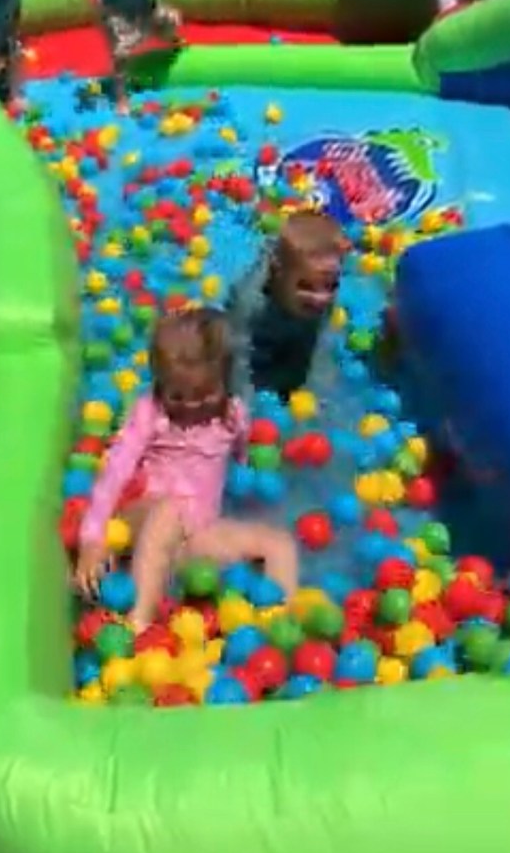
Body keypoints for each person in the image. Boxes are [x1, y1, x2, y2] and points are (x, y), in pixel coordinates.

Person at [75, 308, 298, 630]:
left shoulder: (233, 415)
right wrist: (93, 539)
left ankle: (279, 626)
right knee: (168, 513)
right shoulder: (151, 412)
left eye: (205, 394)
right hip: (143, 518)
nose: (191, 405)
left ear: (226, 381)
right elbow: (115, 472)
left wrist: (245, 468)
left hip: (197, 533)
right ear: (159, 383)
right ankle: (138, 625)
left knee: (278, 543)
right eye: (177, 395)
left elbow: (240, 456)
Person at [232, 211, 349, 403]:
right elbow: (237, 358)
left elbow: (320, 353)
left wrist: (319, 397)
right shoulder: (250, 303)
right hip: (259, 328)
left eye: (331, 285)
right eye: (305, 286)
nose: (321, 298)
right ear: (277, 274)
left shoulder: (323, 301)